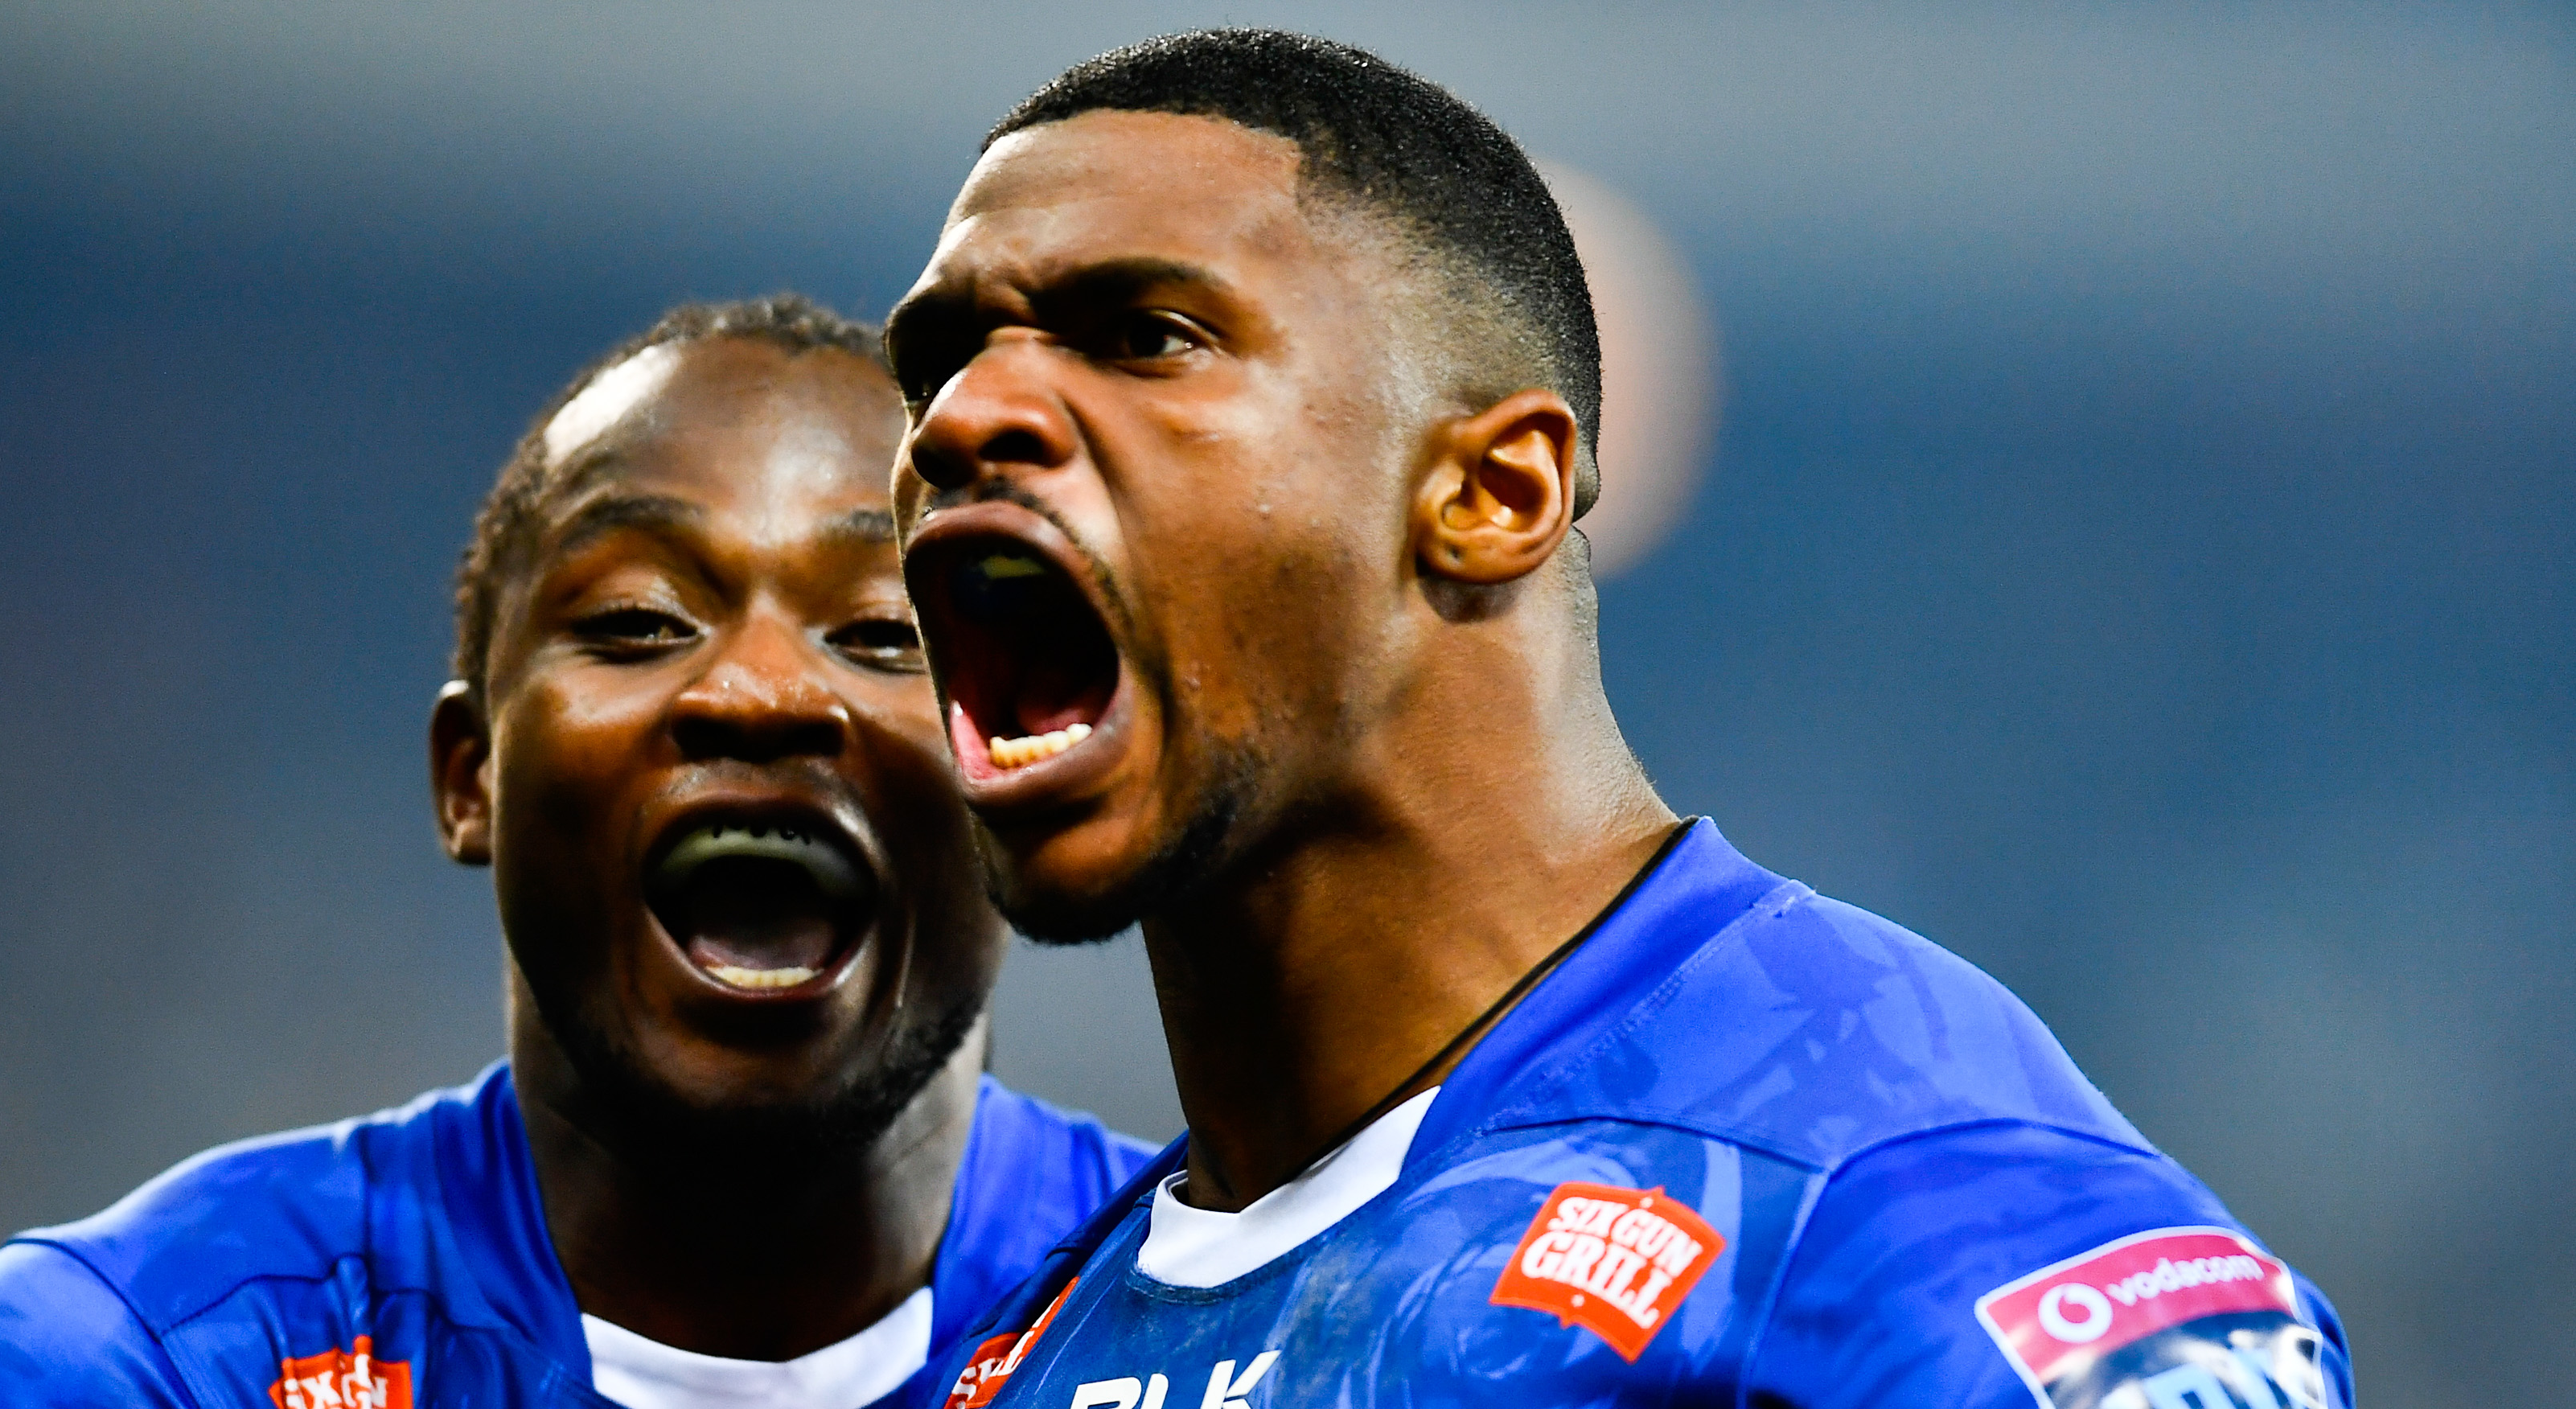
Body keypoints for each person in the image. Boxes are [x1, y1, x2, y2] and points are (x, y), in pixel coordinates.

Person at [884, 31, 2352, 1409]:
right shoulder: (1032, 1340)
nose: (957, 420)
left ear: (1494, 494)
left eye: (1144, 336)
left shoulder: (1889, 1199)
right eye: (938, 362)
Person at [0, 297, 1154, 1409]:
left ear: (1024, 771)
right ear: (473, 777)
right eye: (640, 620)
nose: (763, 691)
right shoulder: (140, 1363)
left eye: (886, 633)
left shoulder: (1239, 1330)